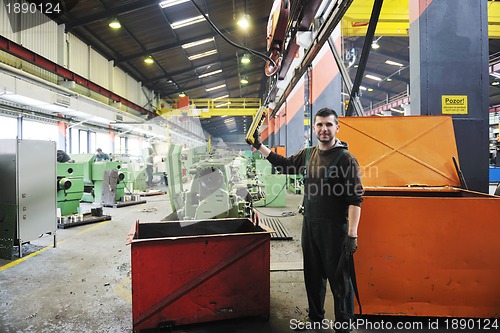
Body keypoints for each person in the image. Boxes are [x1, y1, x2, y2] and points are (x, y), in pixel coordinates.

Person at [249, 107, 363, 332]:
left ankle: (344, 325)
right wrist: (258, 145)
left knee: (339, 281)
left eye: (329, 125)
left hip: (335, 230)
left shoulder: (347, 160)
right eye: (319, 125)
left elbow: (355, 199)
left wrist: (352, 235)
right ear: (314, 128)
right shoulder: (308, 154)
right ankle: (316, 319)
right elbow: (284, 164)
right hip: (310, 226)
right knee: (312, 275)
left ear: (337, 128)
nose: (324, 129)